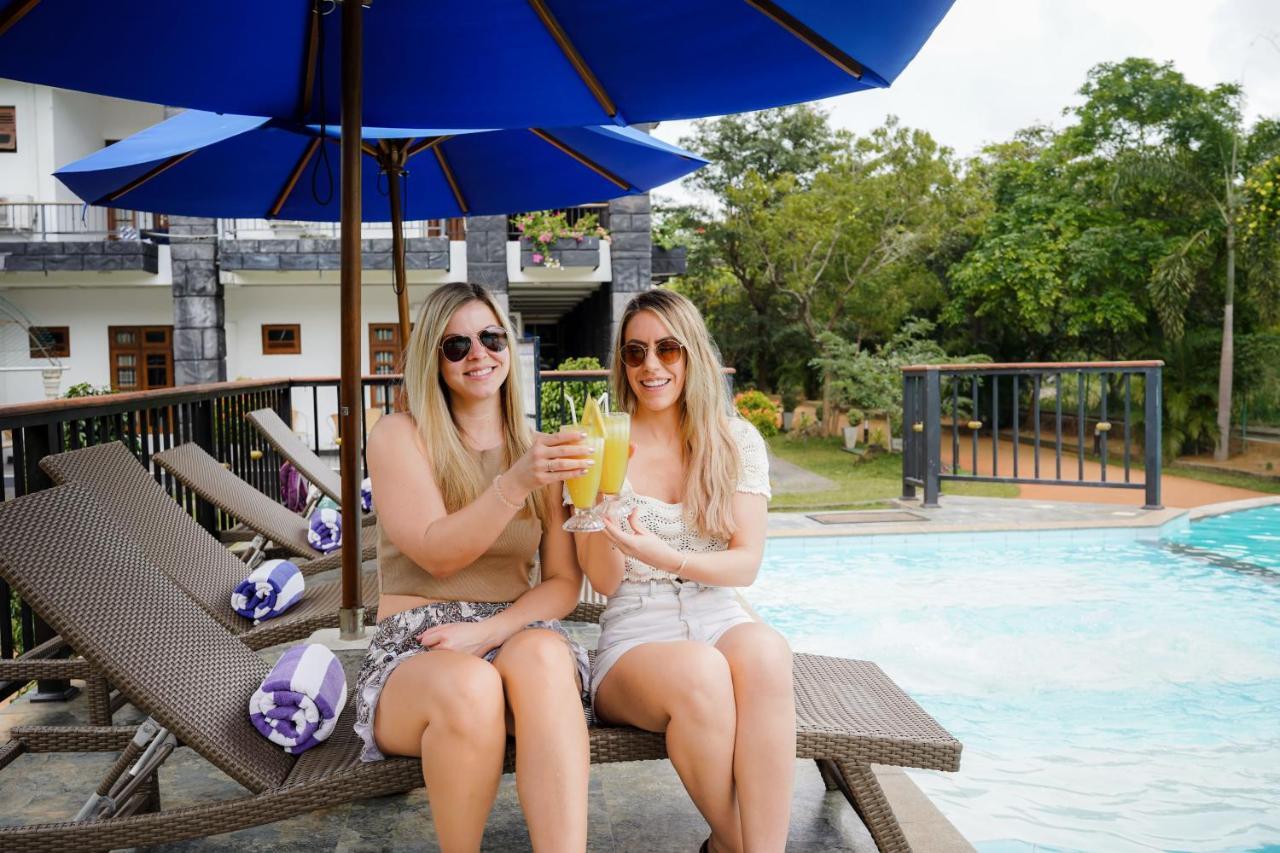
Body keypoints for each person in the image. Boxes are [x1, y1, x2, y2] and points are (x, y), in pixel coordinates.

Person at [356, 282, 593, 853]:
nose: (478, 355)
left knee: (541, 655)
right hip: (419, 646)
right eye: (456, 345)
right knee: (471, 685)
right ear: (432, 361)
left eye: (490, 338)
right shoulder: (399, 436)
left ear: (509, 346)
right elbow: (437, 552)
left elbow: (564, 583)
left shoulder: (539, 452)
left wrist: (489, 630)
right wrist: (513, 484)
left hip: (511, 630)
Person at [574, 288, 796, 853]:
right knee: (702, 673)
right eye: (635, 352)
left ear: (691, 353)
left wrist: (665, 555)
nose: (651, 365)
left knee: (768, 652)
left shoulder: (733, 441)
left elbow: (745, 564)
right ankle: (736, 844)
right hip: (636, 636)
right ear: (622, 364)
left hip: (717, 611)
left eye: (667, 349)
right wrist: (600, 493)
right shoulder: (603, 445)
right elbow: (603, 582)